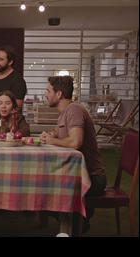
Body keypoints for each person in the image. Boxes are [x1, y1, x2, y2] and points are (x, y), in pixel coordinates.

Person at [40, 75, 106, 232]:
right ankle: (77, 219)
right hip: (75, 174)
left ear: (59, 94)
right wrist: (51, 134)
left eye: (48, 91)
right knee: (43, 185)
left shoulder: (74, 110)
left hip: (92, 178)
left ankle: (77, 221)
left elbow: (76, 142)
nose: (45, 94)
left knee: (44, 190)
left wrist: (51, 141)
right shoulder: (65, 112)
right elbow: (61, 131)